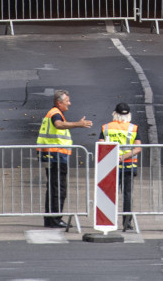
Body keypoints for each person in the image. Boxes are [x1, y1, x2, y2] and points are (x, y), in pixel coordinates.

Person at [36, 89, 92, 228]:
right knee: (59, 188)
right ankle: (55, 219)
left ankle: (49, 219)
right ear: (59, 102)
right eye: (67, 101)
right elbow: (58, 125)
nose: (70, 103)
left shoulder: (53, 113)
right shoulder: (55, 114)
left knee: (53, 187)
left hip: (50, 155)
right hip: (56, 156)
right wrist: (78, 124)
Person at [99, 102, 142, 232]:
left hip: (110, 166)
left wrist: (113, 157)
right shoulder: (133, 128)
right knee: (127, 194)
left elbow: (100, 145)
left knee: (108, 194)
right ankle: (126, 223)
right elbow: (138, 148)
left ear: (114, 113)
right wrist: (123, 157)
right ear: (128, 115)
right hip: (128, 165)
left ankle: (107, 221)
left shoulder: (106, 127)